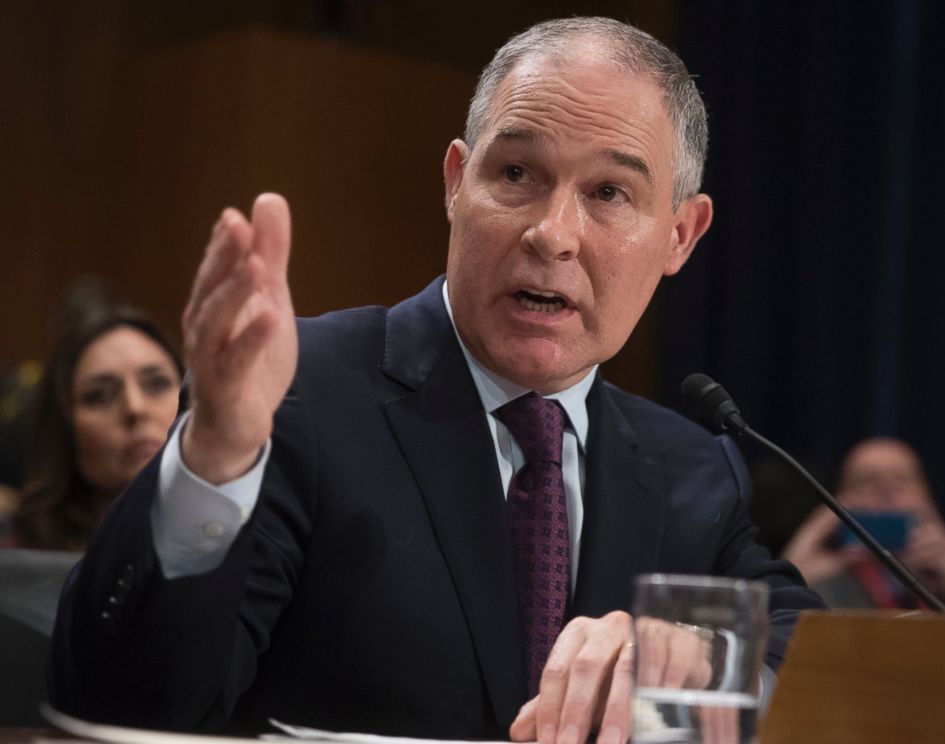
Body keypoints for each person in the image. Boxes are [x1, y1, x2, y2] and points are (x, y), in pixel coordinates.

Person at [50, 17, 823, 742]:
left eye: (609, 193)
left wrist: (703, 653)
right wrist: (215, 456)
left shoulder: (689, 469)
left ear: (680, 234)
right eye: (516, 172)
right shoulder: (297, 393)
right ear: (457, 182)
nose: (551, 234)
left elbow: (823, 658)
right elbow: (129, 708)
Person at [8, 280, 183, 550]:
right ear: (64, 427)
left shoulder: (254, 533)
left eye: (157, 384)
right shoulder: (18, 563)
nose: (135, 408)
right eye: (99, 396)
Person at [783, 437, 945, 611]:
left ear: (927, 497)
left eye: (901, 480)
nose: (886, 490)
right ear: (838, 503)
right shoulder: (819, 579)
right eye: (868, 481)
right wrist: (791, 578)